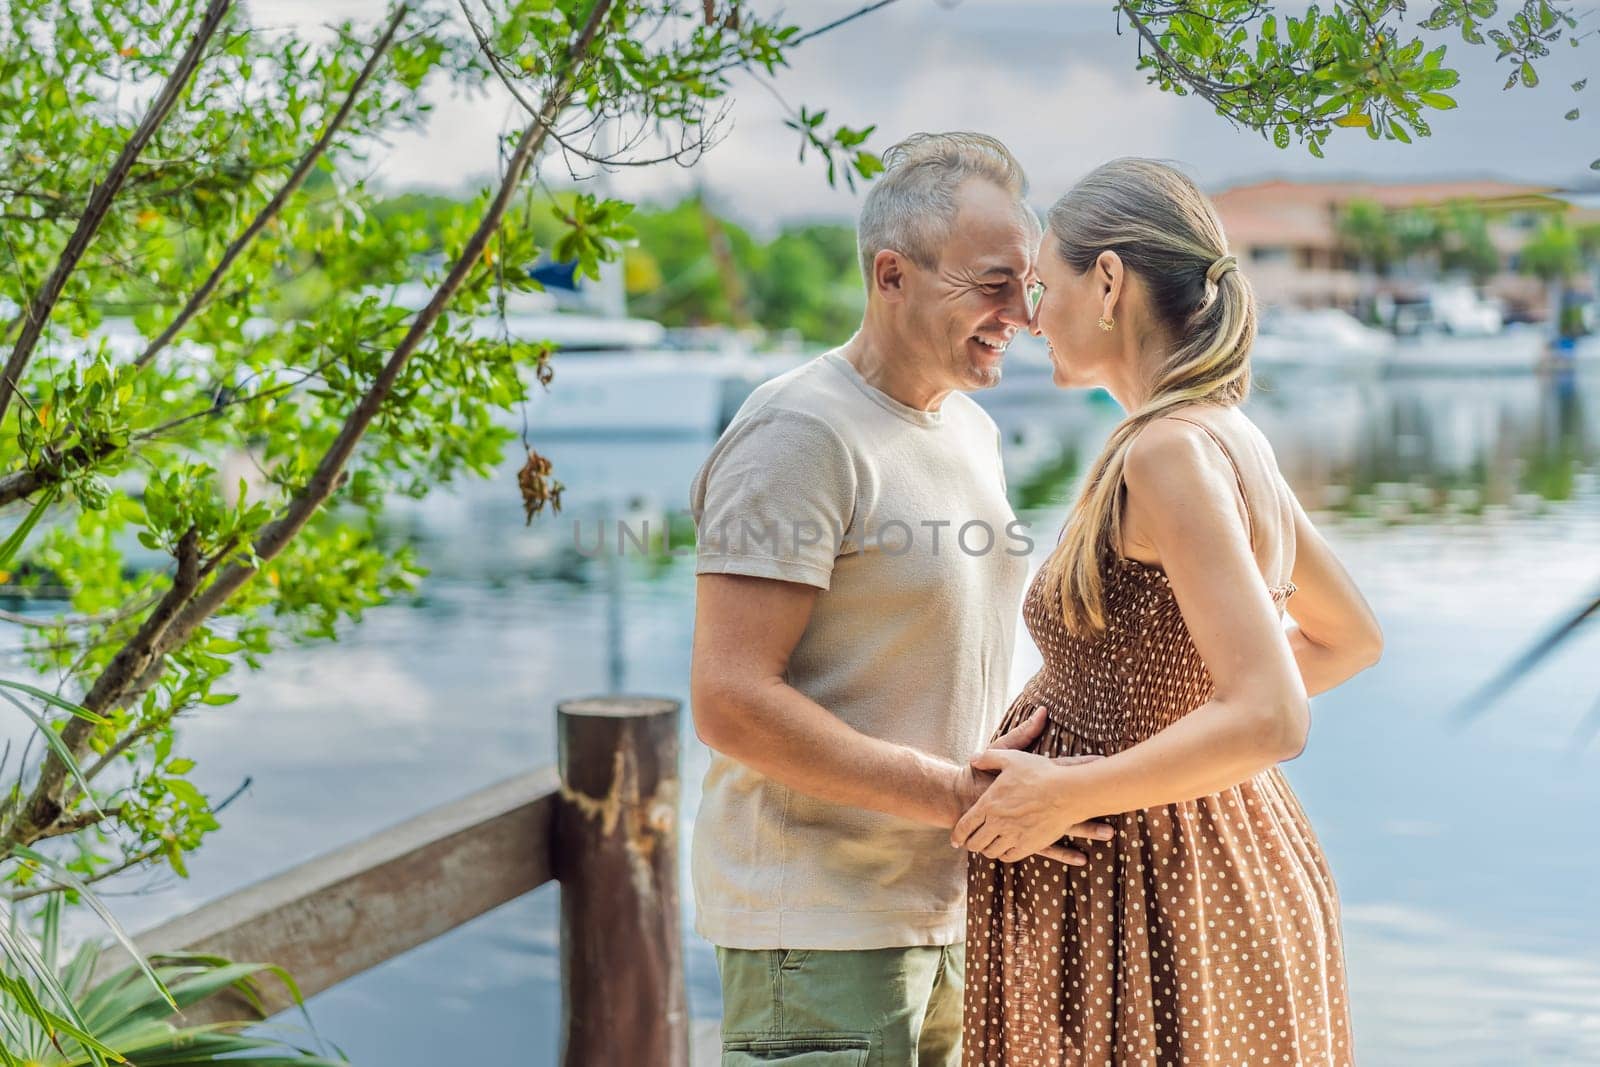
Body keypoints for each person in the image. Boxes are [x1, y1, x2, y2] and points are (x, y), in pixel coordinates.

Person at [688, 132, 1109, 1065]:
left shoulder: (973, 429)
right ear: (892, 275)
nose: (1023, 317)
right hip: (820, 928)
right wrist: (959, 795)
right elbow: (730, 701)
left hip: (947, 906)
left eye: (1028, 287)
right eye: (992, 285)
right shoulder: (800, 431)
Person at [954, 157, 1384, 1066]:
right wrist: (1173, 719)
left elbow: (1271, 712)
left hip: (1150, 879)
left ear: (1107, 281)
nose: (1032, 316)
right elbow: (1349, 638)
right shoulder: (1225, 433)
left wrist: (1071, 788)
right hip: (1203, 853)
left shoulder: (1169, 452)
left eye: (1044, 285)